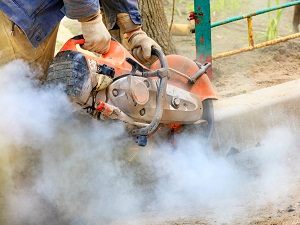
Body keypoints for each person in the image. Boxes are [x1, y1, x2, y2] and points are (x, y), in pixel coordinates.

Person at [0, 0, 161, 79]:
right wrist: (90, 18)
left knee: (30, 96)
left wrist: (133, 30)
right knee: (14, 100)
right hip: (12, 11)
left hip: (30, 14)